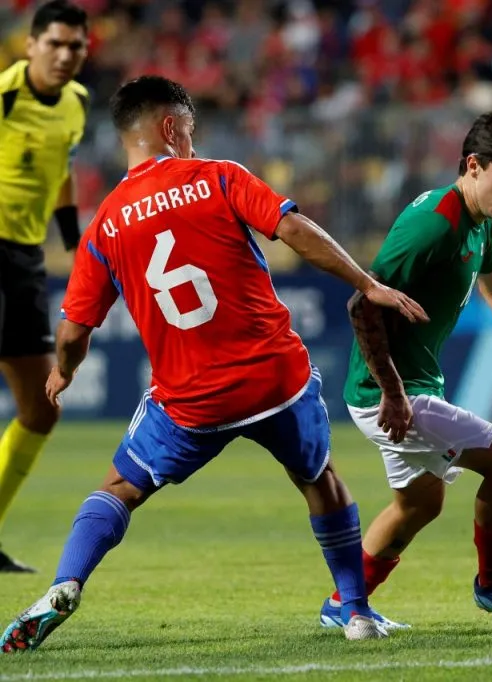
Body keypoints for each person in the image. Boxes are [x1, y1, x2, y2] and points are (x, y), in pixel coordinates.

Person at [0, 75, 429, 652]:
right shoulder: (218, 177)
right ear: (172, 128)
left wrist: (63, 371)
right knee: (320, 480)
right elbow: (294, 231)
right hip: (276, 380)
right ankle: (355, 611)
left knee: (120, 488)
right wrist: (366, 283)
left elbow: (75, 327)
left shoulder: (105, 223)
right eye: (191, 130)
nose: (195, 141)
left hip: (192, 398)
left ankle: (65, 583)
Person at [320, 110, 492, 631]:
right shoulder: (434, 226)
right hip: (385, 393)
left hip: (408, 386)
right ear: (473, 164)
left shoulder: (479, 220)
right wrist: (394, 394)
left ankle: (343, 602)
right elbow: (363, 305)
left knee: (420, 504)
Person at [0, 0, 90, 573]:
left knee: (41, 406)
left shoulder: (76, 106)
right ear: (29, 44)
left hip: (25, 260)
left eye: (74, 47)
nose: (63, 55)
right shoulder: (5, 96)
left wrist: (74, 243)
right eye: (53, 43)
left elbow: (60, 172)